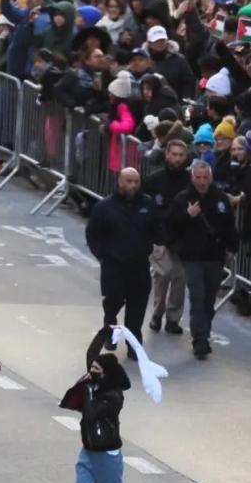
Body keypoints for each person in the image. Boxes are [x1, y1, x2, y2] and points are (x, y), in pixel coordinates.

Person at [60, 326, 143, 483]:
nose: (91, 371)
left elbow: (92, 412)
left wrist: (87, 388)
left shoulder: (113, 395)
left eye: (96, 369)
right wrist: (104, 332)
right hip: (88, 452)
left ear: (105, 373)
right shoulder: (95, 383)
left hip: (107, 456)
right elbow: (92, 353)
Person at [166, 160, 240, 359]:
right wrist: (187, 215)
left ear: (211, 178)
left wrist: (233, 247)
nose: (201, 181)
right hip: (191, 256)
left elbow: (229, 225)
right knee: (197, 296)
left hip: (215, 256)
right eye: (198, 177)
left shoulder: (220, 199)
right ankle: (200, 339)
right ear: (192, 178)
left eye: (205, 177)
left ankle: (203, 332)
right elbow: (171, 223)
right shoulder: (183, 199)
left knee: (209, 299)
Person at [85, 167, 157, 348]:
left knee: (138, 304)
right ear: (120, 182)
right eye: (129, 181)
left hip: (139, 264)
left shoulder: (147, 204)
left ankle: (134, 343)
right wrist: (102, 255)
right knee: (113, 301)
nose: (133, 186)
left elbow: (156, 228)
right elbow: (93, 233)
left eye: (136, 182)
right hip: (114, 265)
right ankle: (109, 331)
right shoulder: (105, 206)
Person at [142, 140, 190, 335]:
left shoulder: (189, 181)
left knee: (180, 278)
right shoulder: (153, 181)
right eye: (174, 154)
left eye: (181, 155)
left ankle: (173, 318)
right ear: (167, 155)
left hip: (183, 238)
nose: (177, 159)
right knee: (163, 275)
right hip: (159, 236)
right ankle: (157, 313)